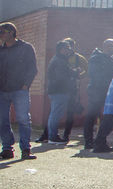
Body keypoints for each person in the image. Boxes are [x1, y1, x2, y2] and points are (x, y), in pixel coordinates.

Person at [0, 21, 38, 160]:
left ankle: (26, 149)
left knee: (23, 119)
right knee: (2, 121)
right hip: (2, 91)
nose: (0, 35)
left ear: (11, 32)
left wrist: (25, 85)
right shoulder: (1, 50)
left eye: (2, 32)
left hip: (20, 90)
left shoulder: (26, 48)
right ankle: (7, 149)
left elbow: (32, 68)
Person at [83, 39, 113, 149]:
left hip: (106, 91)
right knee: (92, 116)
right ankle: (89, 142)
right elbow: (94, 74)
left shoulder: (110, 59)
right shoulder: (96, 58)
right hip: (97, 91)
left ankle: (100, 141)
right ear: (107, 47)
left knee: (107, 116)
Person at [45, 40, 78, 144]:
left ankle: (52, 136)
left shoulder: (58, 59)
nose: (69, 50)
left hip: (55, 90)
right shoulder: (60, 61)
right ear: (61, 49)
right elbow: (62, 77)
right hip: (59, 91)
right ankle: (53, 137)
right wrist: (74, 72)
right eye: (67, 48)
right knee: (56, 114)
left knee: (54, 113)